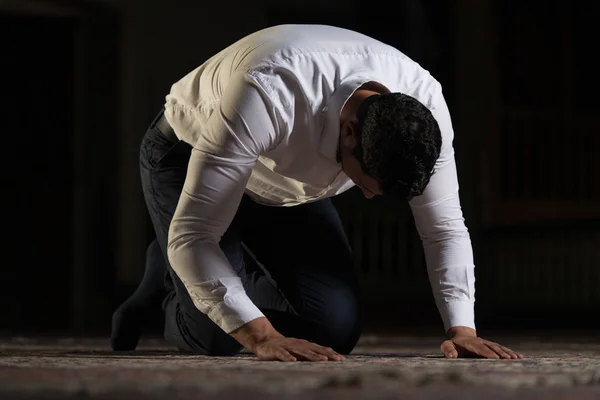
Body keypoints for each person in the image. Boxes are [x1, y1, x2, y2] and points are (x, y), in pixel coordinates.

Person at [111, 24, 523, 361]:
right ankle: (167, 283)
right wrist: (261, 336)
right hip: (187, 152)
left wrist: (462, 328)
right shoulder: (268, 90)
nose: (367, 196)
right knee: (221, 337)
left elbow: (444, 230)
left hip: (285, 181)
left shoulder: (425, 107)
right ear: (349, 132)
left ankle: (194, 273)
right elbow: (195, 236)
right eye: (364, 183)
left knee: (333, 331)